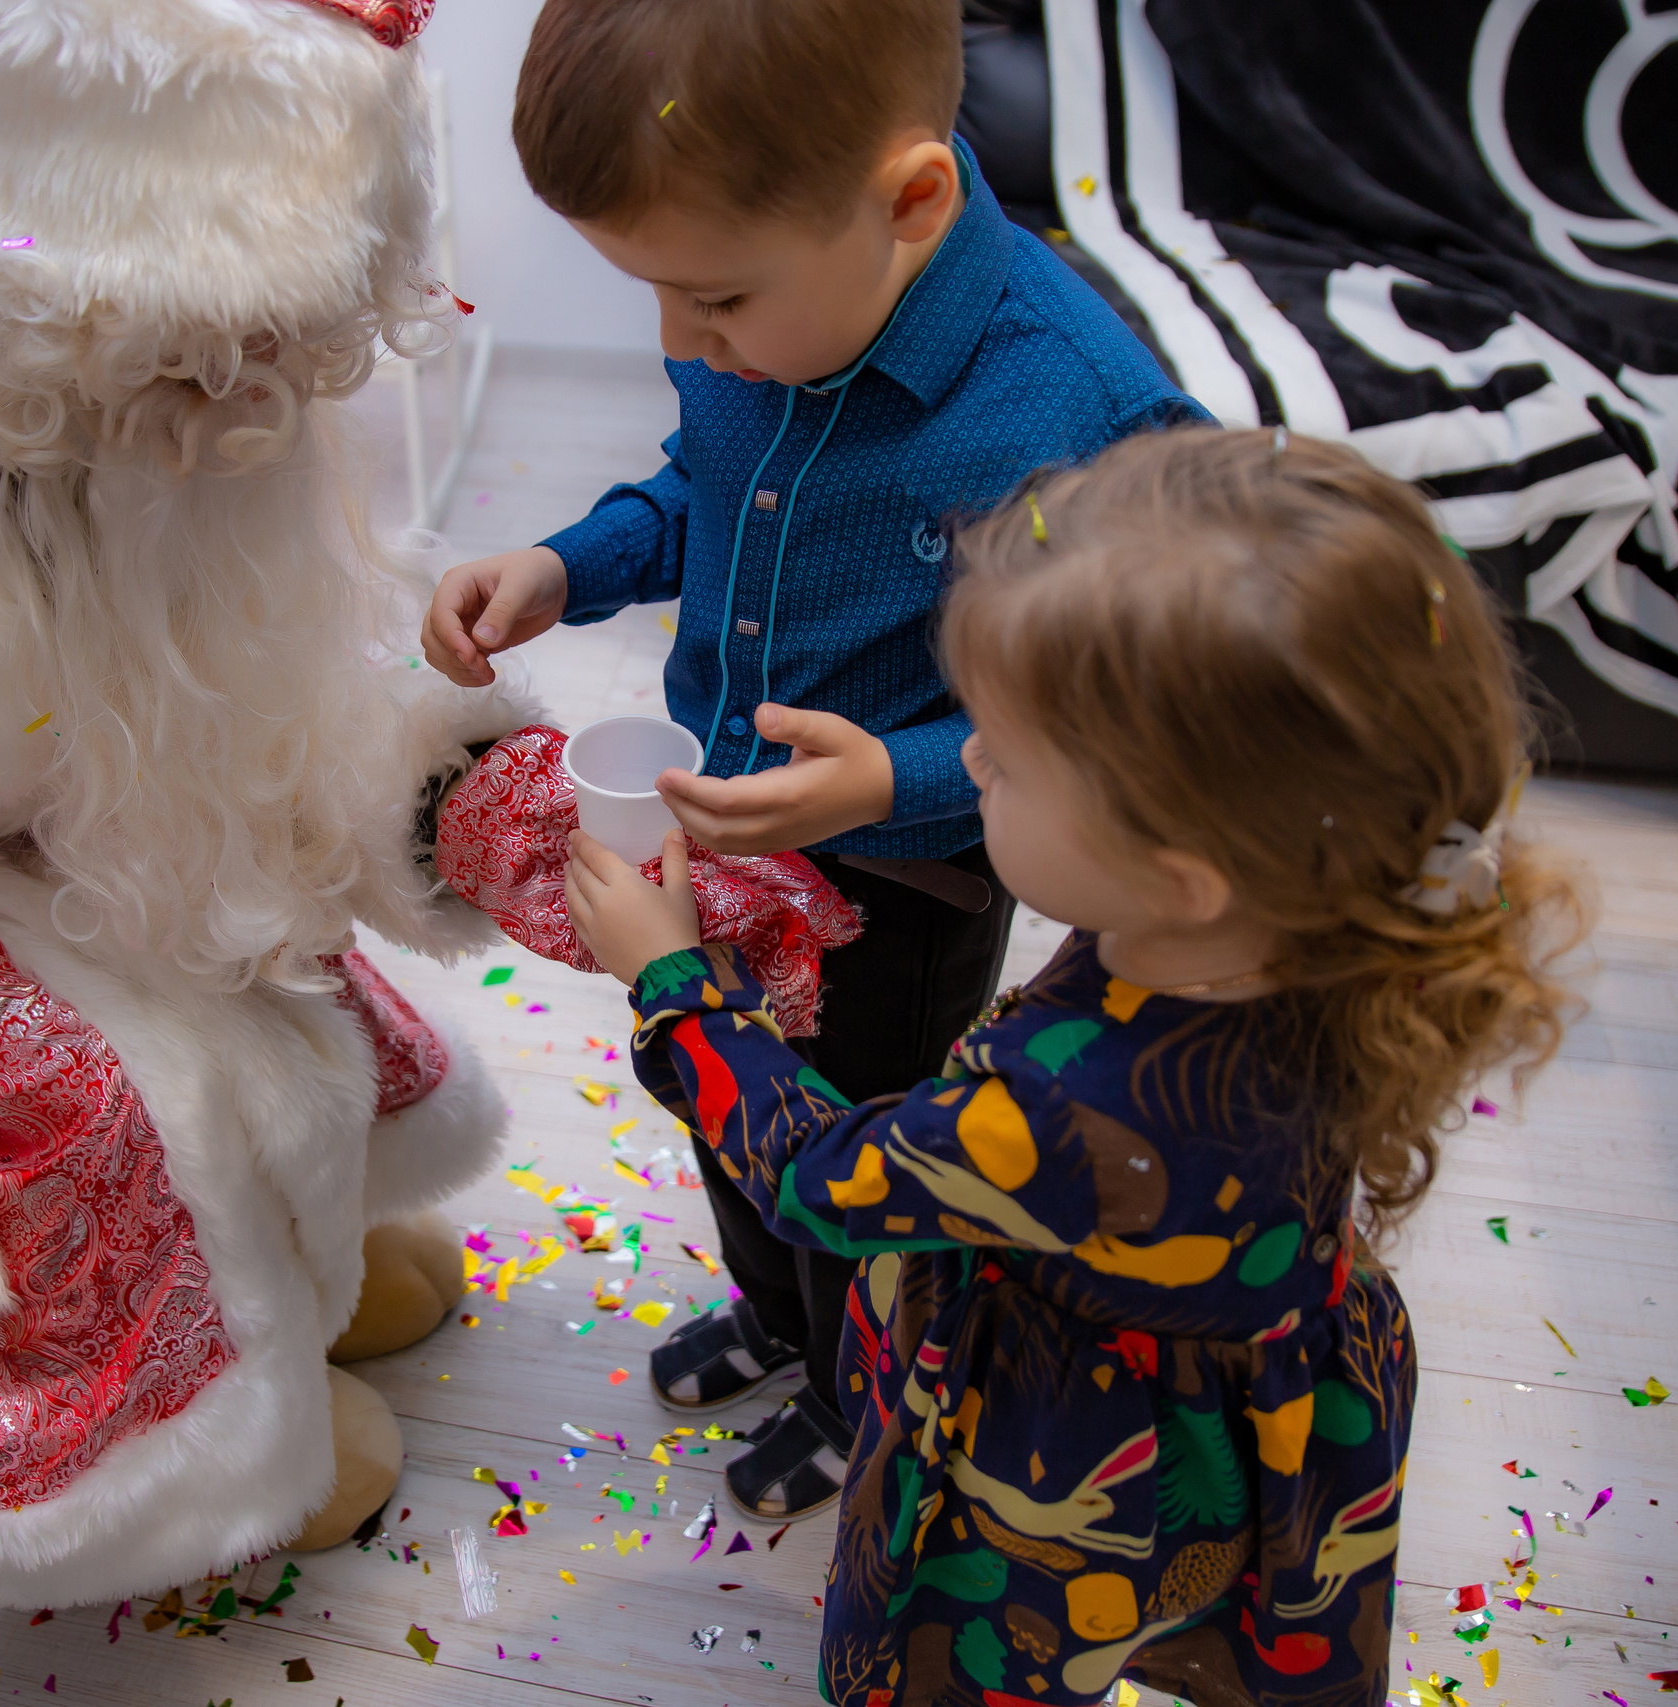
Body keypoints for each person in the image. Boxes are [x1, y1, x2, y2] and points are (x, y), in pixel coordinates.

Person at [561, 428, 1584, 1706]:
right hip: (1270, 1403)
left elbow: (822, 1182)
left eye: (1002, 750)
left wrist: (673, 984)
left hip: (1067, 1468)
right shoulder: (1344, 919)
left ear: (1181, 871)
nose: (969, 760)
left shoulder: (1062, 1102)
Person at [421, 0, 1205, 1519]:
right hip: (723, 830)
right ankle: (784, 1316)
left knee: (847, 1158)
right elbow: (705, 488)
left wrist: (889, 780)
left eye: (710, 299)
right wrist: (567, 566)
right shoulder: (770, 298)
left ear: (910, 203)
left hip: (909, 879)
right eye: (649, 291)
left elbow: (1125, 726)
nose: (677, 342)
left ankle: (865, 1389)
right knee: (721, 1093)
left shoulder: (1079, 415)